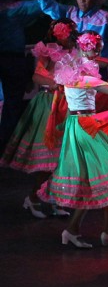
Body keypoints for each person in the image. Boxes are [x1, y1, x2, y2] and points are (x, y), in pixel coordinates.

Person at [38, 31, 108, 248]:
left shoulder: (73, 75)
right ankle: (85, 229)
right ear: (82, 50)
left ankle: (103, 230)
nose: (97, 52)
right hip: (86, 127)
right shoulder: (85, 78)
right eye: (92, 47)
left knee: (107, 178)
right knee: (105, 176)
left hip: (79, 125)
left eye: (98, 47)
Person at [0, 18, 77, 218]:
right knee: (49, 159)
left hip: (67, 104)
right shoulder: (48, 50)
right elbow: (36, 76)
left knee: (62, 159)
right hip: (49, 104)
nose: (72, 37)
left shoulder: (75, 52)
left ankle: (53, 199)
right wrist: (55, 83)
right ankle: (33, 197)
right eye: (69, 33)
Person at [0, 0, 48, 151]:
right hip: (12, 60)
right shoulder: (17, 8)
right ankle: (6, 145)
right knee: (12, 102)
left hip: (9, 59)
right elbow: (44, 4)